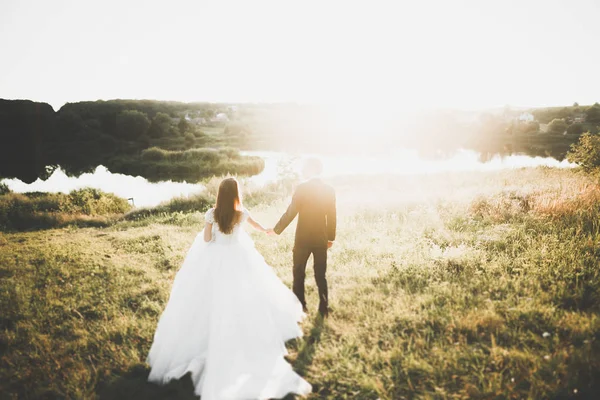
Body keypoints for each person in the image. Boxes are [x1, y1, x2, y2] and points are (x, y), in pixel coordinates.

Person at [147, 178, 311, 399]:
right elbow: (261, 228)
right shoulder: (241, 213)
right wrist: (270, 230)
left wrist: (214, 234)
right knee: (245, 293)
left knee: (207, 298)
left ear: (219, 194)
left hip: (215, 258)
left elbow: (206, 239)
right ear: (236, 193)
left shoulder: (211, 214)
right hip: (238, 257)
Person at [269, 158, 336, 317]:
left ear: (310, 169)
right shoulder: (329, 190)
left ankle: (300, 307)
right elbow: (332, 216)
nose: (303, 170)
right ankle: (323, 308)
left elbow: (291, 212)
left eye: (305, 168)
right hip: (321, 239)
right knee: (321, 274)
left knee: (298, 273)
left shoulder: (302, 188)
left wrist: (276, 229)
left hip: (302, 239)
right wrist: (330, 237)